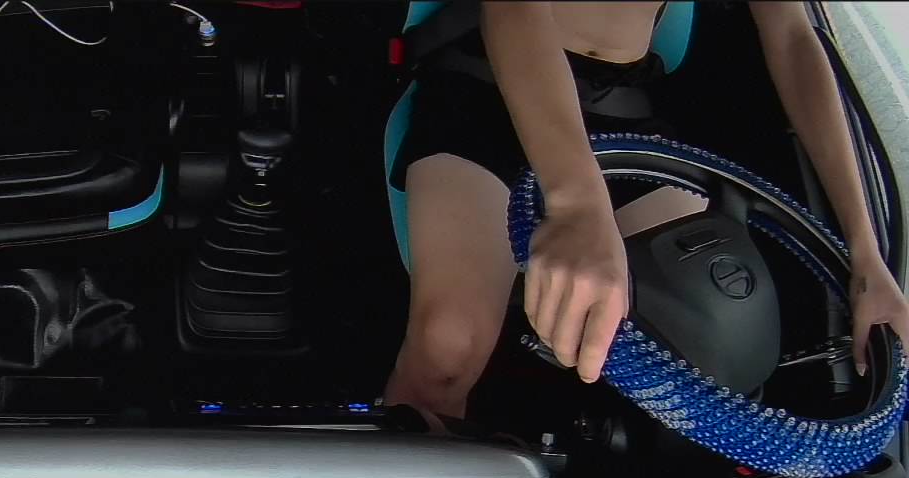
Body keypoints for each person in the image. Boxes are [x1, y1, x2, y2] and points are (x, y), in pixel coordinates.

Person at [384, 1, 909, 430]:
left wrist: (867, 256)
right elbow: (513, 9)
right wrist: (577, 205)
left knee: (712, 357)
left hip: (624, 110)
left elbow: (794, 39)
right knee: (447, 348)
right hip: (488, 86)